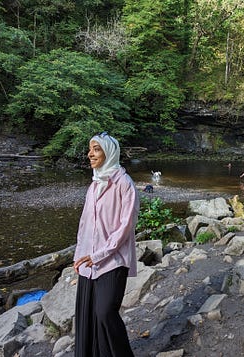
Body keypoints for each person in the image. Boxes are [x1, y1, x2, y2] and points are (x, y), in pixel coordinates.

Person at [73, 132, 139, 357]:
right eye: (90, 149)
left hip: (113, 260)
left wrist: (100, 254)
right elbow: (84, 224)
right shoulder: (93, 185)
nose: (90, 154)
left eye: (96, 149)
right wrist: (79, 256)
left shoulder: (124, 184)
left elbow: (125, 226)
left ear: (109, 153)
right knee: (88, 314)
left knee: (104, 312)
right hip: (88, 262)